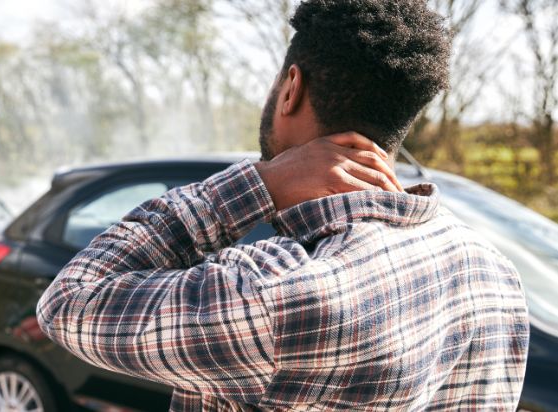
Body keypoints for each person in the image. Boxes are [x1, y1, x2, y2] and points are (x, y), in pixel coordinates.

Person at [36, 0, 530, 410]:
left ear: (291, 87)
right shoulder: (494, 274)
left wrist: (259, 183)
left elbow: (70, 300)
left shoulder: (275, 292)